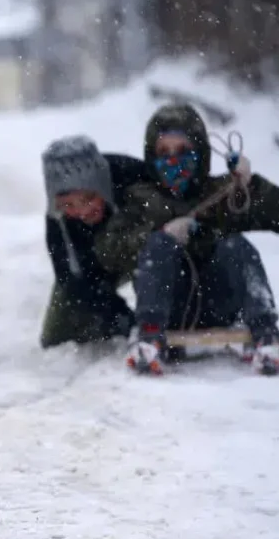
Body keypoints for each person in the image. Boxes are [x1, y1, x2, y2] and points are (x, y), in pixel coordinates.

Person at [92, 103, 279, 375]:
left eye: (183, 152)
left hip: (219, 301)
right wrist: (159, 236)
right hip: (169, 307)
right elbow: (108, 251)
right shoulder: (140, 198)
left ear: (200, 153)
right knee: (158, 245)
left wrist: (250, 186)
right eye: (163, 153)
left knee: (236, 245)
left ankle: (266, 335)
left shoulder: (221, 192)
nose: (173, 161)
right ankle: (149, 339)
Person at [39, 136, 150, 349]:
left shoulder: (134, 177)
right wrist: (119, 316)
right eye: (68, 205)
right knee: (56, 338)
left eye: (89, 199)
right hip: (95, 265)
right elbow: (71, 279)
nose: (82, 211)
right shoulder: (58, 221)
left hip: (142, 250)